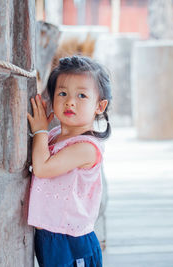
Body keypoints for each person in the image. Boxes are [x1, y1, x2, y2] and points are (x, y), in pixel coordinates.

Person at [27, 55, 112, 267]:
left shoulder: (86, 147)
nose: (70, 101)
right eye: (62, 93)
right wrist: (43, 133)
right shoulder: (55, 135)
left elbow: (43, 168)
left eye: (82, 95)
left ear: (99, 106)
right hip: (49, 234)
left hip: (71, 240)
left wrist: (39, 131)